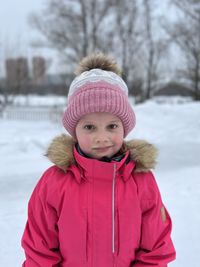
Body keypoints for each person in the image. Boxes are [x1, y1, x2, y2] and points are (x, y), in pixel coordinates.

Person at [21, 53, 176, 267]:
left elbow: (155, 248)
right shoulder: (54, 182)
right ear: (74, 130)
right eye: (89, 127)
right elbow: (39, 250)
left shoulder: (141, 181)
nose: (101, 138)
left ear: (124, 127)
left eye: (112, 126)